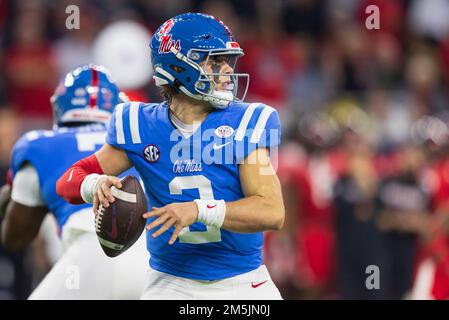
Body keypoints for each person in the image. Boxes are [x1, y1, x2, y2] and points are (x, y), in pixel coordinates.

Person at [56, 13, 285, 300]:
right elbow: (67, 182)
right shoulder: (140, 125)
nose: (227, 71)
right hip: (170, 283)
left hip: (243, 284)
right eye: (214, 61)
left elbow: (272, 212)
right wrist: (94, 185)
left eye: (228, 60)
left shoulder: (246, 122)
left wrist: (200, 210)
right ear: (179, 66)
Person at [0, 64, 148, 299]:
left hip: (87, 255)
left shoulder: (38, 145)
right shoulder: (139, 138)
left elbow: (15, 238)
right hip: (149, 260)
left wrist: (10, 197)